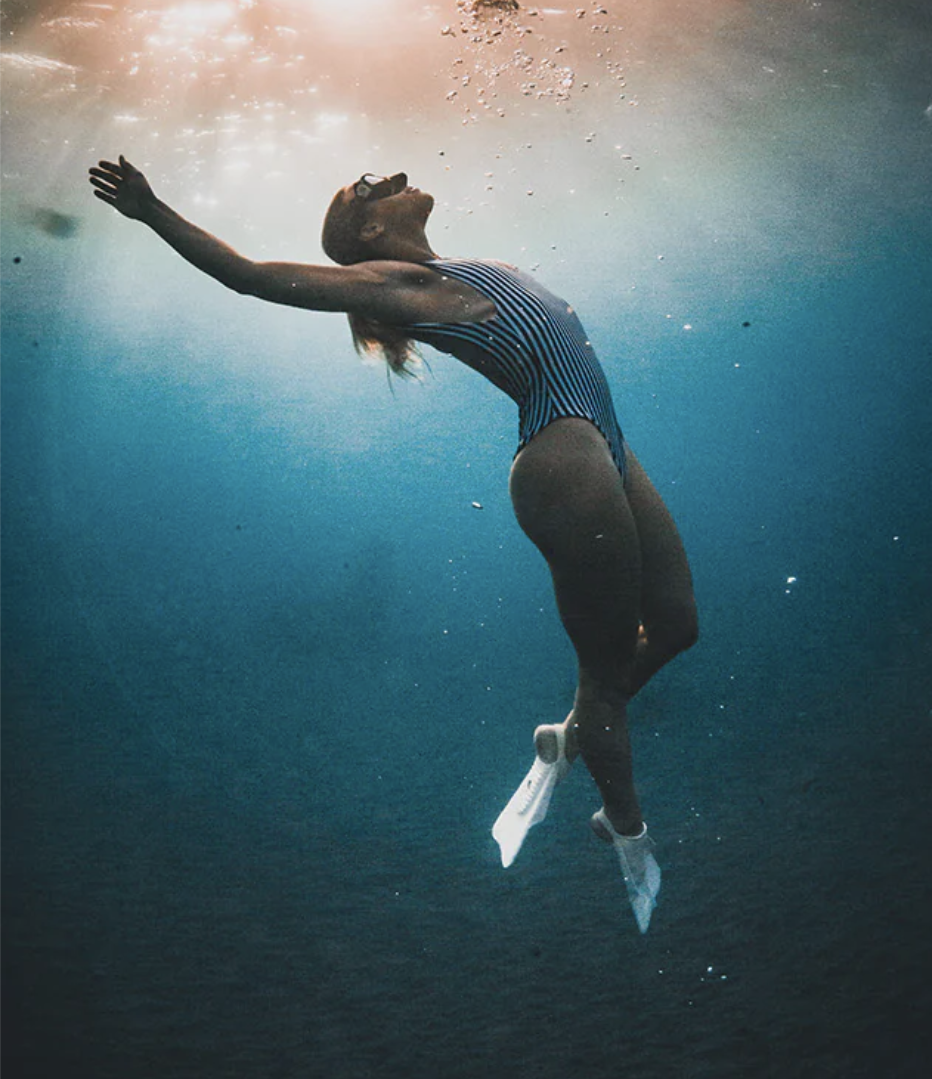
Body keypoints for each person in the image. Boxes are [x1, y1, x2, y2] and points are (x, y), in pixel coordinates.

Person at [88, 157, 698, 932]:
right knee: (605, 678)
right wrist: (151, 208)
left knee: (677, 624)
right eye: (370, 184)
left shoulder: (451, 266)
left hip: (605, 438)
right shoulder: (390, 283)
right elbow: (246, 275)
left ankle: (565, 737)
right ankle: (626, 829)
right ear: (370, 230)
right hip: (563, 454)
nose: (397, 173)